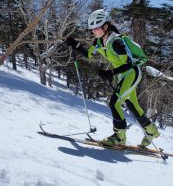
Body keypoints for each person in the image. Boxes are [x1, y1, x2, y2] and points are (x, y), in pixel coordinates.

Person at [66, 9, 160, 147]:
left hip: (132, 73)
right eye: (92, 29)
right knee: (131, 104)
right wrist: (75, 45)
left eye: (97, 28)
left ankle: (119, 137)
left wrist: (110, 73)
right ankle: (151, 131)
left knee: (114, 102)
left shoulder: (116, 42)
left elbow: (129, 64)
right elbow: (89, 55)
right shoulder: (99, 41)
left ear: (106, 26)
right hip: (121, 75)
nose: (94, 31)